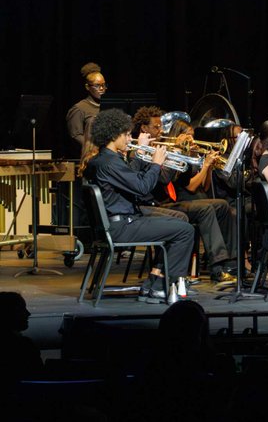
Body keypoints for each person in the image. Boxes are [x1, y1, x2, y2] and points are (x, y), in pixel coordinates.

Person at [82, 109, 195, 302]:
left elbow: (129, 180)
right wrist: (156, 164)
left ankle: (155, 280)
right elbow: (142, 187)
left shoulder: (104, 160)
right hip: (121, 226)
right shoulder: (110, 163)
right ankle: (161, 285)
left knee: (176, 220)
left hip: (118, 222)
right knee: (185, 231)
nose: (129, 139)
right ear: (113, 135)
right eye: (126, 135)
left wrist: (140, 154)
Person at [129, 107, 240, 283]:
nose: (161, 131)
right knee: (205, 210)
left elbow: (188, 178)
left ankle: (231, 263)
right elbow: (165, 179)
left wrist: (196, 160)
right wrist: (178, 152)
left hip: (170, 202)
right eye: (157, 127)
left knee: (223, 205)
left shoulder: (159, 148)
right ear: (144, 129)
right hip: (160, 204)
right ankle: (216, 268)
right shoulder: (139, 152)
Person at [66, 62, 106, 155]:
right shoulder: (79, 108)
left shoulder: (108, 106)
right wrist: (93, 148)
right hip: (90, 156)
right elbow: (75, 135)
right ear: (87, 87)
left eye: (103, 85)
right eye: (97, 85)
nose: (101, 88)